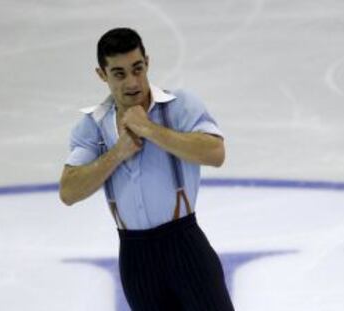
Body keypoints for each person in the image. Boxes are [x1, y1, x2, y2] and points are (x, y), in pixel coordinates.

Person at [59, 27, 234, 311]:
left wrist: (150, 129)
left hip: (186, 246)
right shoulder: (93, 127)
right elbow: (68, 191)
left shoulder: (178, 107)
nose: (132, 82)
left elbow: (215, 153)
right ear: (102, 75)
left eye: (137, 68)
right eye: (119, 73)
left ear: (147, 63)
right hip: (136, 258)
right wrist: (118, 152)